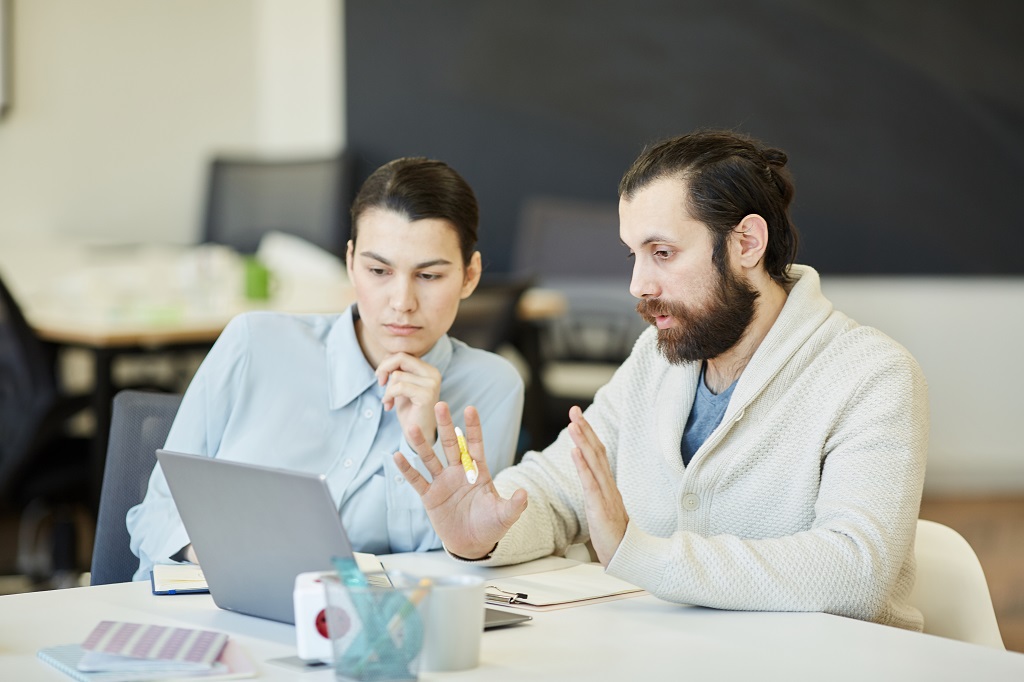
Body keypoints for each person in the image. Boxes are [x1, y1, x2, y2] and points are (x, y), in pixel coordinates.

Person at [395, 130, 929, 631]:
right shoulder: (657, 358)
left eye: (663, 253)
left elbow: (858, 569)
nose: (638, 284)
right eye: (634, 254)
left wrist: (641, 551)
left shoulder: (871, 375)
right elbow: (561, 489)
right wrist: (486, 531)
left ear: (746, 243)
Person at [128, 157, 524, 581]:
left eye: (428, 276)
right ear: (351, 261)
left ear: (469, 275)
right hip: (213, 607)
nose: (402, 300)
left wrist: (419, 441)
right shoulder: (254, 343)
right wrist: (222, 556)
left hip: (370, 628)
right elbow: (154, 518)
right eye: (378, 271)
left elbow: (446, 563)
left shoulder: (490, 388)